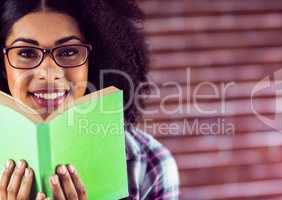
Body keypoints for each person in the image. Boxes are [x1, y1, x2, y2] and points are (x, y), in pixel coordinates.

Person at [0, 0, 180, 200]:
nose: (49, 74)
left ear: (94, 61)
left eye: (69, 51)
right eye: (26, 53)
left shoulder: (150, 163)